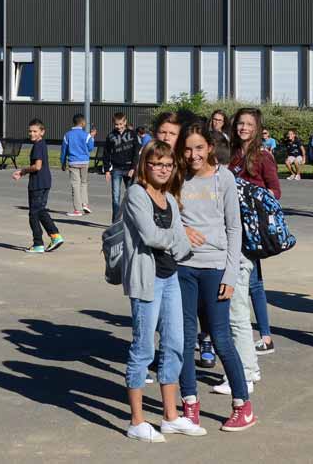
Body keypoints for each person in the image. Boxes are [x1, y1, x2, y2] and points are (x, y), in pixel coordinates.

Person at [122, 140, 205, 441]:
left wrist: (177, 237)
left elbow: (174, 240)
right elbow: (151, 236)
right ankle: (136, 421)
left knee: (174, 345)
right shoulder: (136, 194)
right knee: (143, 348)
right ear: (145, 165)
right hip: (147, 280)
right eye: (156, 164)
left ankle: (170, 416)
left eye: (168, 165)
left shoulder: (169, 198)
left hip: (170, 278)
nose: (162, 169)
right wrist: (179, 235)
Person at [175, 125, 256, 432]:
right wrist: (181, 230)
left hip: (215, 268)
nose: (193, 155)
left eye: (198, 148)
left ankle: (243, 405)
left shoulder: (225, 178)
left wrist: (231, 274)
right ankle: (190, 404)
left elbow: (234, 228)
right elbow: (167, 216)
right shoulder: (178, 177)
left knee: (221, 338)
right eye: (187, 149)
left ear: (209, 147)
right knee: (184, 339)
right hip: (183, 268)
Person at [229, 109, 279, 361]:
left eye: (249, 124)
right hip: (229, 224)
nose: (244, 128)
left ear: (257, 128)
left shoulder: (263, 156)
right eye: (240, 123)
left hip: (251, 228)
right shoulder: (231, 154)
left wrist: (255, 197)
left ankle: (265, 336)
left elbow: (275, 191)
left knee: (254, 283)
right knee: (246, 280)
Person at [11, 119, 63, 254]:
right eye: (30, 131)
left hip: (38, 183)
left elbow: (37, 166)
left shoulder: (38, 146)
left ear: (42, 132)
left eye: (35, 131)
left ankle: (41, 242)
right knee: (39, 211)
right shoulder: (42, 144)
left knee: (34, 214)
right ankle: (52, 237)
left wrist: (22, 171)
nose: (32, 134)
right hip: (44, 182)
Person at [104, 113, 140, 223]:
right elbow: (106, 154)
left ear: (125, 122)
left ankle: (131, 220)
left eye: (120, 124)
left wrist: (133, 168)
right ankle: (115, 222)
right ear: (113, 123)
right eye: (116, 124)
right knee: (116, 197)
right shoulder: (110, 136)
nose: (118, 126)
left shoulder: (132, 134)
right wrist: (107, 170)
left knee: (131, 196)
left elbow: (136, 152)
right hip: (116, 169)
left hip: (129, 169)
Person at [61, 114, 95, 217]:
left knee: (75, 185)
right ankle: (85, 204)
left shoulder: (67, 135)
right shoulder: (86, 135)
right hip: (84, 161)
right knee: (84, 183)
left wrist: (63, 162)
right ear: (83, 123)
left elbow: (64, 150)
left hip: (73, 162)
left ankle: (77, 209)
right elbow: (90, 148)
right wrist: (92, 137)